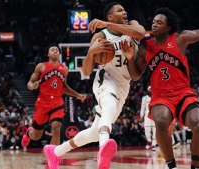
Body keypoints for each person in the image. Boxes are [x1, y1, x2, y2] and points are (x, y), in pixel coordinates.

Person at [122, 7, 199, 169]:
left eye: (160, 22)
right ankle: (172, 166)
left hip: (183, 92)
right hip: (161, 96)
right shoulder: (145, 46)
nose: (155, 24)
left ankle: (196, 167)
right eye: (154, 22)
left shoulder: (180, 38)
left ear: (168, 27)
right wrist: (130, 58)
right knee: (160, 121)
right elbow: (136, 75)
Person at [43, 2, 145, 169]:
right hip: (107, 78)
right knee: (108, 107)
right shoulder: (101, 36)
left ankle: (55, 152)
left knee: (93, 132)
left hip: (123, 85)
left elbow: (141, 32)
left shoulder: (133, 26)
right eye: (120, 10)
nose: (125, 12)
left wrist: (106, 24)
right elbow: (87, 70)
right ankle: (103, 148)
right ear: (110, 16)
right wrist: (91, 52)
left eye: (125, 9)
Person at [21, 44, 86, 152]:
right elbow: (30, 82)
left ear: (59, 54)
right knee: (36, 136)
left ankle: (53, 159)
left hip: (57, 102)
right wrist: (32, 86)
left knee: (56, 129)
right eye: (52, 50)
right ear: (48, 54)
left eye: (57, 50)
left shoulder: (64, 68)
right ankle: (28, 133)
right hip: (43, 103)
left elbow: (64, 87)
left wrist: (77, 95)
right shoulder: (41, 66)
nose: (55, 51)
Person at [140, 86, 157, 150]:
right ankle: (149, 141)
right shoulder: (144, 98)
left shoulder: (156, 97)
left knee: (155, 129)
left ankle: (154, 144)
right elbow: (142, 107)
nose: (150, 90)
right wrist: (141, 116)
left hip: (155, 114)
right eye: (149, 89)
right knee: (147, 128)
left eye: (151, 89)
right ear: (147, 90)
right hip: (147, 114)